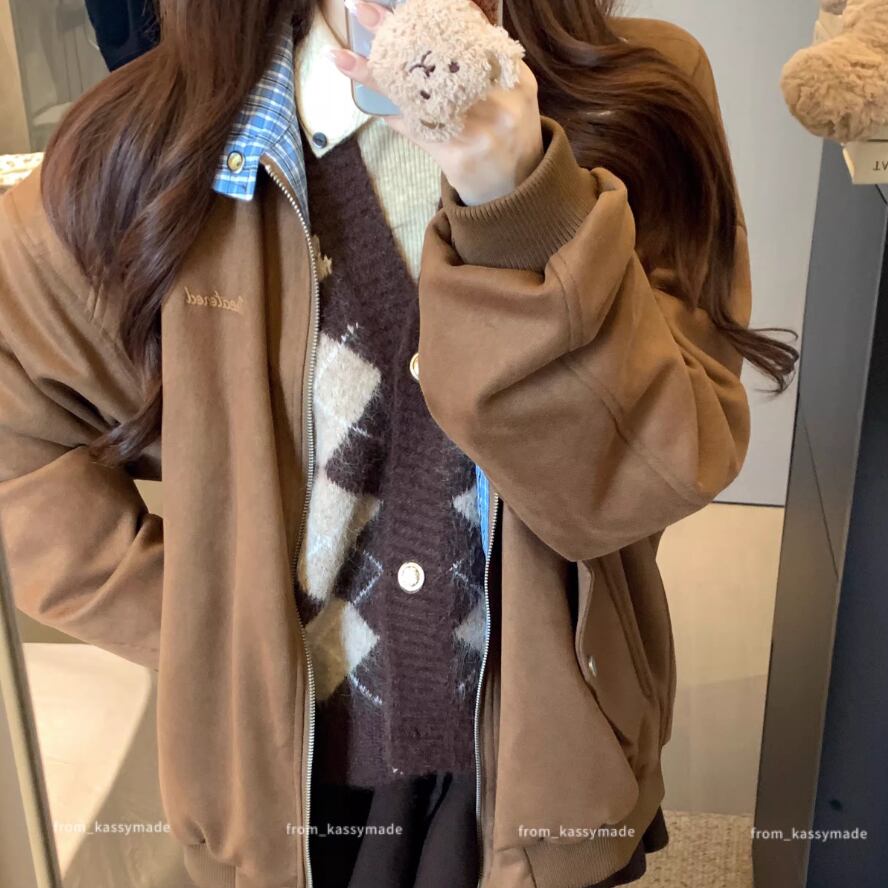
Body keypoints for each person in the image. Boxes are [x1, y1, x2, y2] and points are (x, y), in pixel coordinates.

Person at [0, 1, 798, 887]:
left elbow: (641, 482)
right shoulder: (154, 142)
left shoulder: (633, 94)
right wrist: (210, 628)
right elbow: (18, 435)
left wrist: (522, 207)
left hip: (543, 753)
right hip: (288, 792)